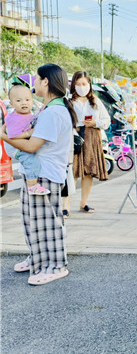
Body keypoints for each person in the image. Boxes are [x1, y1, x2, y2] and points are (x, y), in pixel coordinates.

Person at [1, 64, 77, 285]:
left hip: (45, 174)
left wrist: (3, 136)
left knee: (47, 223)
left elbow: (32, 146)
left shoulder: (53, 112)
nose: (33, 83)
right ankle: (38, 258)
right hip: (38, 172)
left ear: (46, 81)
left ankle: (56, 266)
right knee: (33, 220)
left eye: (36, 79)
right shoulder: (48, 108)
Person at [64, 71, 110, 215]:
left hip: (92, 137)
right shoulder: (69, 101)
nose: (81, 87)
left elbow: (106, 121)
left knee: (88, 172)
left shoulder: (95, 101)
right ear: (73, 85)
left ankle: (84, 203)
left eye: (84, 84)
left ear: (89, 84)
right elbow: (64, 120)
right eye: (78, 84)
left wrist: (95, 123)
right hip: (75, 137)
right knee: (73, 171)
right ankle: (65, 205)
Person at [5, 84, 49, 195]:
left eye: (27, 100)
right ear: (11, 104)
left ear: (32, 101)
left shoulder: (29, 114)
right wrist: (28, 133)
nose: (24, 103)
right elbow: (12, 135)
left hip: (20, 144)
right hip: (14, 147)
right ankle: (32, 186)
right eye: (18, 100)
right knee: (31, 161)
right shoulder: (13, 118)